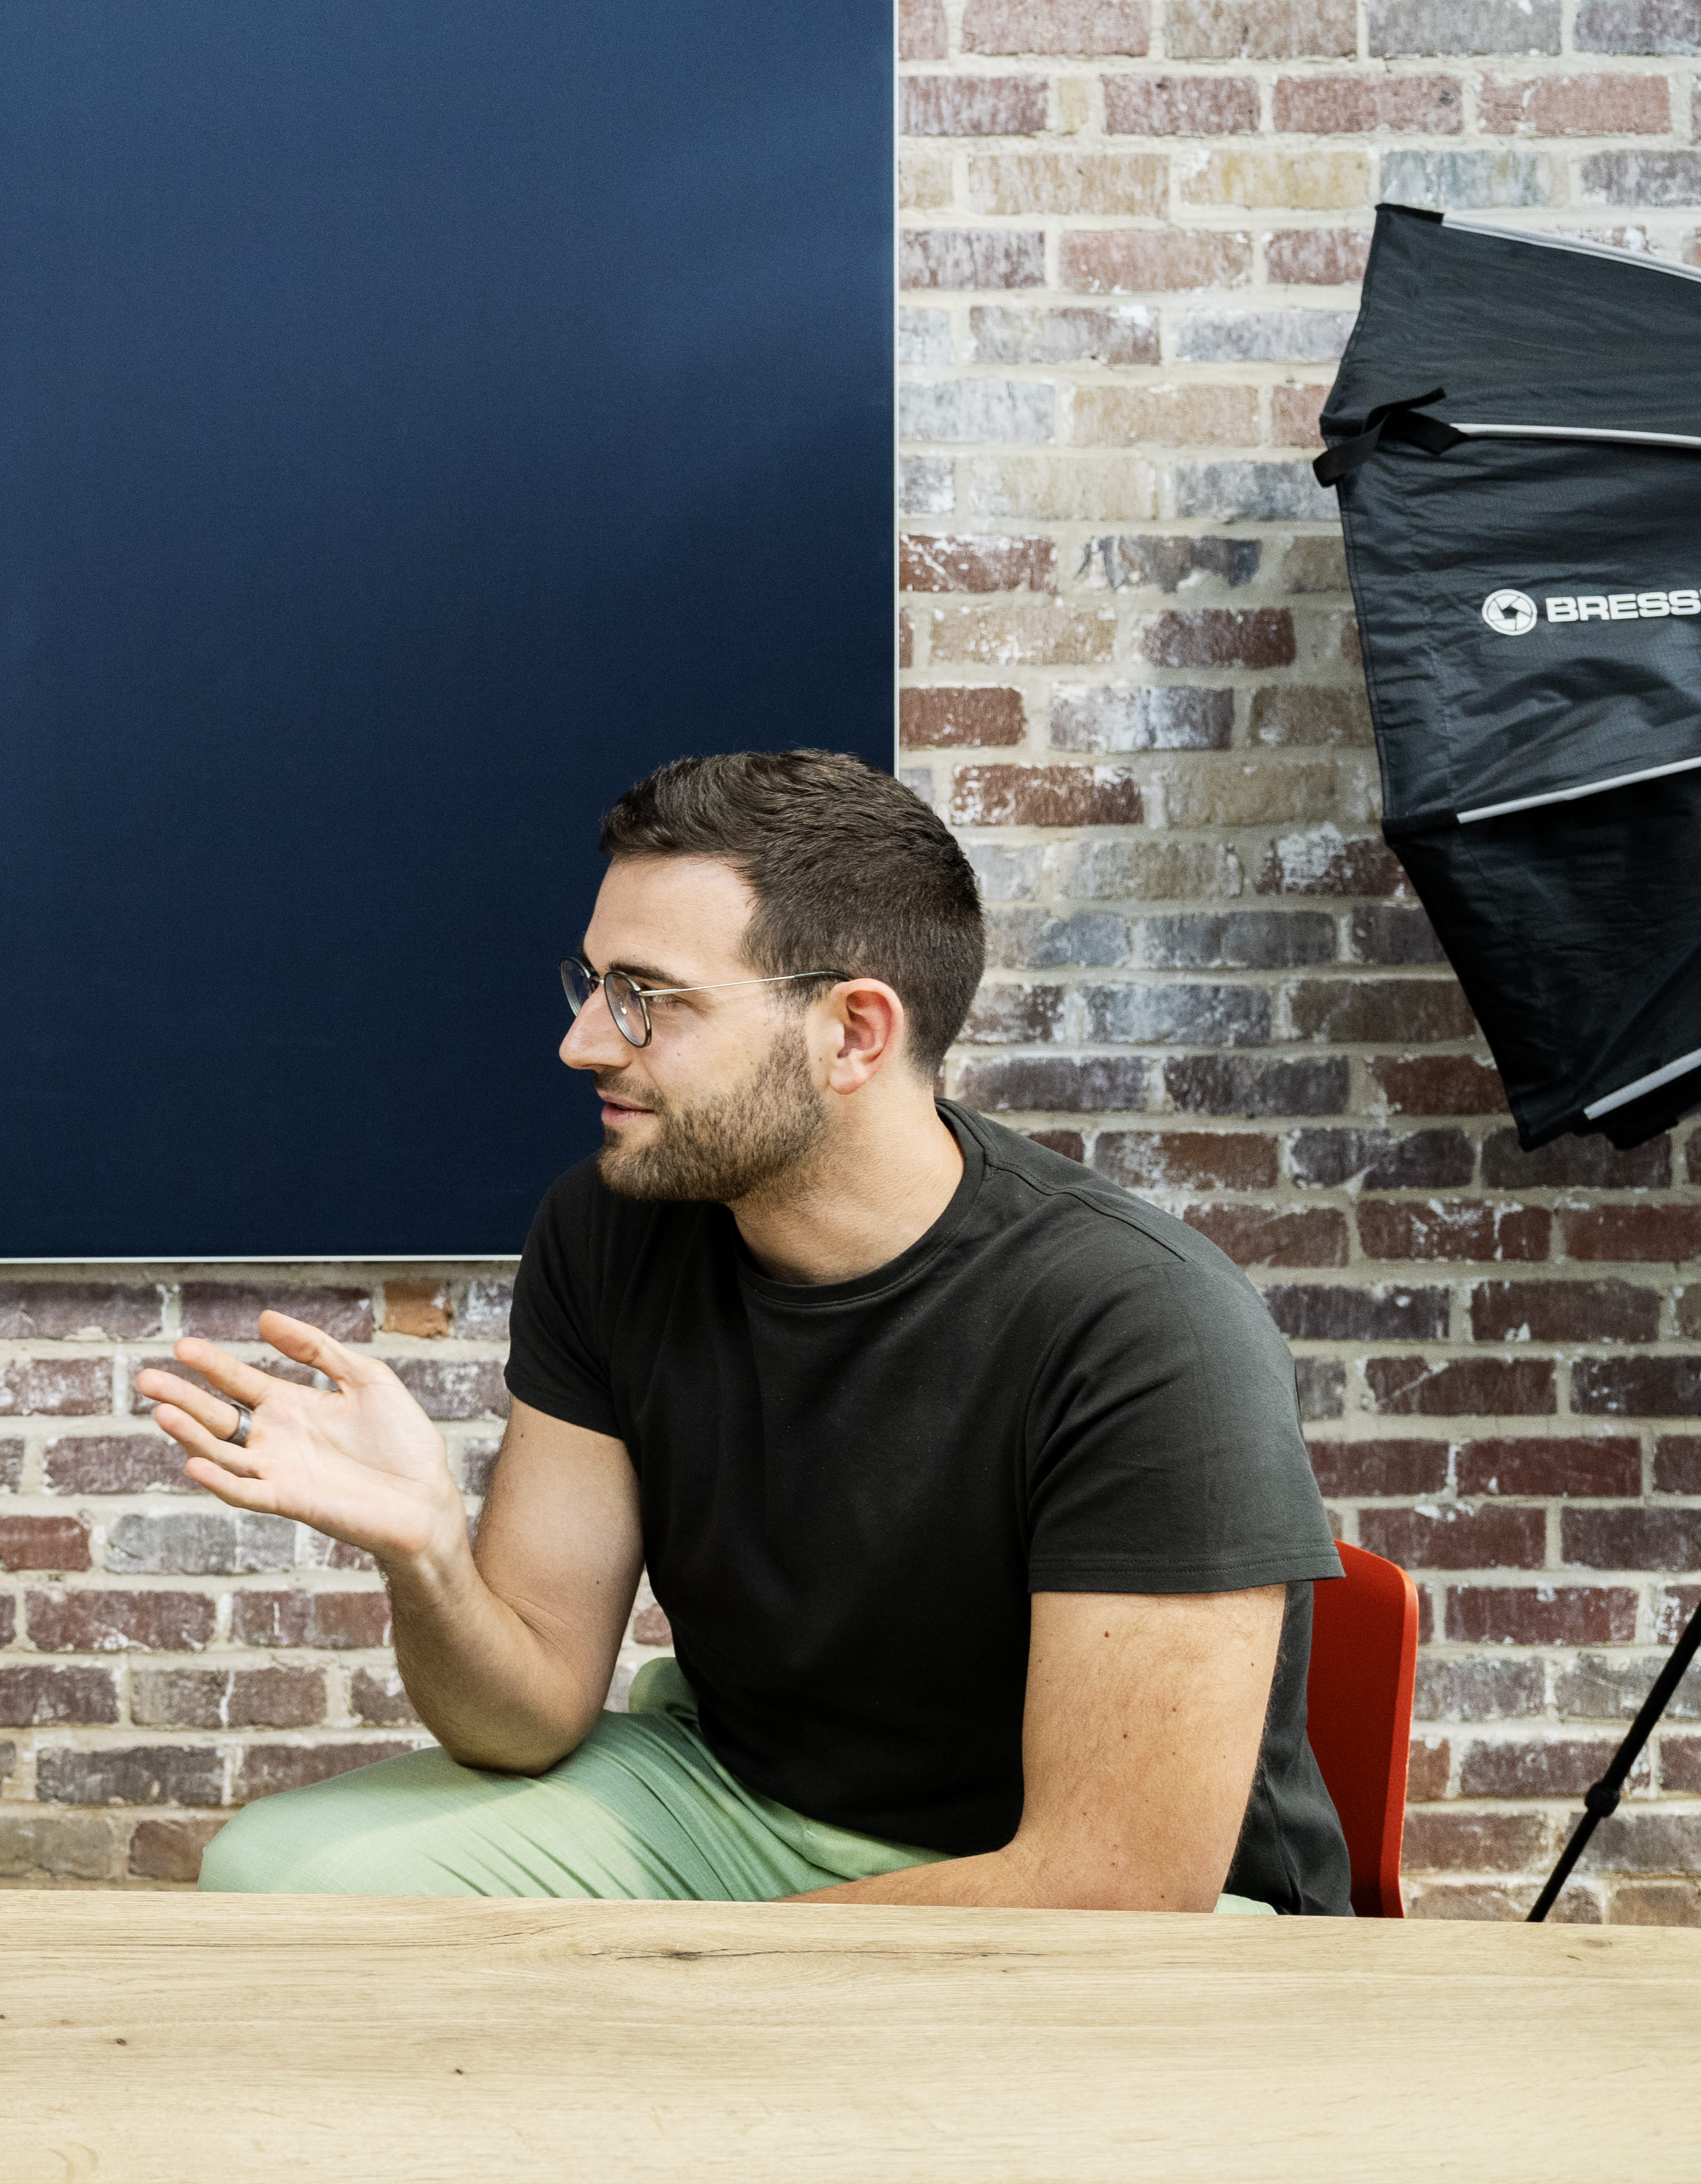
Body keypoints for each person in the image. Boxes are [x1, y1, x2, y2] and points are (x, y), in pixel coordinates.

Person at [144, 749, 1349, 1914]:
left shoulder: (1147, 1326)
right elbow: (530, 1717)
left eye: (649, 1001)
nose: (584, 1043)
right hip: (731, 1807)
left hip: (1099, 1897)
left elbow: (1115, 1885)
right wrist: (428, 1556)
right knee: (276, 1884)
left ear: (854, 1034)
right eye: (596, 984)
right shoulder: (612, 1224)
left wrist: (684, 1968)